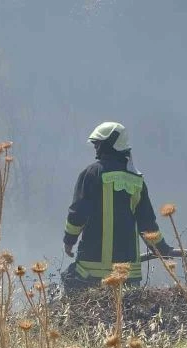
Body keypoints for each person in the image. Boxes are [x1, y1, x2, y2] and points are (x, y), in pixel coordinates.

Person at [61, 121, 174, 294]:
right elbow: (147, 224)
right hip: (128, 276)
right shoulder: (136, 180)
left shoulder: (92, 173)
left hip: (92, 271)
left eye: (97, 144)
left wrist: (69, 241)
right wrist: (162, 249)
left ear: (109, 144)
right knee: (124, 318)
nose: (95, 149)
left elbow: (78, 213)